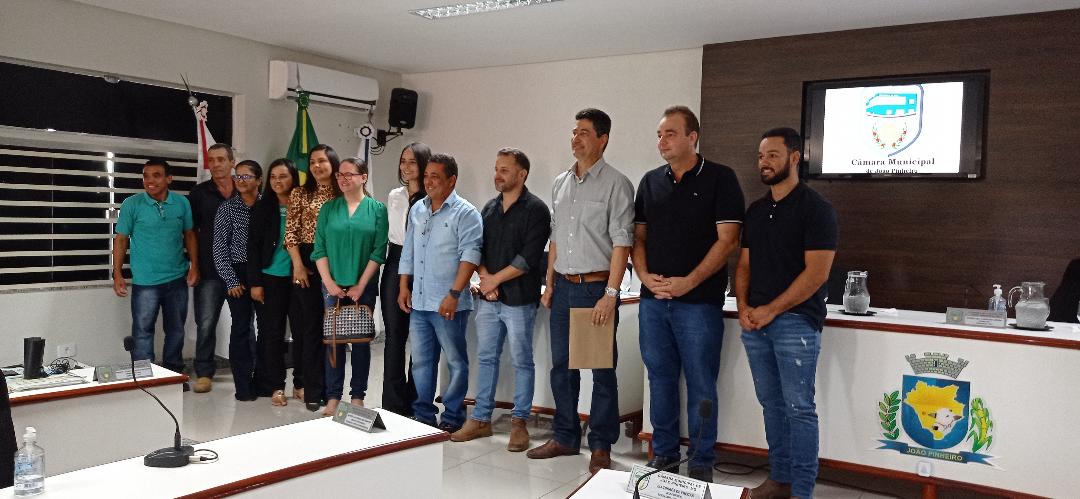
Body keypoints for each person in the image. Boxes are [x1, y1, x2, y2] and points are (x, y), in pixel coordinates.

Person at [632, 106, 744, 482]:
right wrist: (644, 276)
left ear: (692, 137)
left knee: (700, 382)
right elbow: (638, 238)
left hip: (698, 303)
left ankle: (699, 460)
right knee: (660, 379)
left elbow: (728, 241)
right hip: (654, 301)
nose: (662, 141)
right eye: (659, 135)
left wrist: (689, 282)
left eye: (670, 134)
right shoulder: (650, 181)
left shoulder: (720, 178)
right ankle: (664, 453)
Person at [527, 108, 634, 475]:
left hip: (595, 289)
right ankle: (565, 436)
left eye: (584, 132)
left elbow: (622, 243)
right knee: (562, 367)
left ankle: (601, 444)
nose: (576, 138)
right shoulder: (561, 183)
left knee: (601, 369)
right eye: (574, 132)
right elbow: (556, 238)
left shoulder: (617, 184)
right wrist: (549, 284)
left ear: (603, 139)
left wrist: (611, 293)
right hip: (563, 287)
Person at [736, 127, 838, 499]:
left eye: (773, 155)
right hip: (756, 323)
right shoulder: (756, 210)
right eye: (761, 156)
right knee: (771, 405)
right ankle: (779, 480)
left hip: (796, 323)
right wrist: (744, 308)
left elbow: (817, 274)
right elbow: (743, 266)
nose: (764, 162)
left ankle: (802, 491)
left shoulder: (817, 210)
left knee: (799, 408)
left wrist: (771, 310)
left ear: (795, 158)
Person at [451, 148, 550, 452]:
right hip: (488, 299)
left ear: (522, 174)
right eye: (496, 169)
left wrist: (494, 280)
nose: (498, 175)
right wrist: (484, 278)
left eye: (505, 170)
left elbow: (528, 258)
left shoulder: (537, 210)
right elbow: (476, 247)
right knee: (486, 357)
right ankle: (481, 419)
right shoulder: (489, 208)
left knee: (522, 360)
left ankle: (519, 422)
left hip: (519, 299)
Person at [397, 153, 483, 433]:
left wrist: (454, 294)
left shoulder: (466, 213)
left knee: (456, 361)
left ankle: (454, 416)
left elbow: (470, 256)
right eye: (426, 176)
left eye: (435, 176)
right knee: (421, 362)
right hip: (420, 301)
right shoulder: (417, 209)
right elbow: (408, 250)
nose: (429, 181)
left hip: (449, 303)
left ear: (451, 180)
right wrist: (403, 286)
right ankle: (424, 414)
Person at [312, 157, 388, 417]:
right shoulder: (329, 208)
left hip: (363, 286)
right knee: (333, 342)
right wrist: (329, 283)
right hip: (332, 286)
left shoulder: (377, 209)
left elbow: (378, 251)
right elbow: (319, 248)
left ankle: (357, 397)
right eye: (340, 175)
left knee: (361, 342)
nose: (343, 179)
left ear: (363, 177)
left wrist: (360, 285)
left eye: (349, 174)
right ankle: (333, 397)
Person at [112, 159, 198, 375]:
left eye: (156, 175)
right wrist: (117, 273)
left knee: (176, 331)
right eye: (146, 176)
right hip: (145, 282)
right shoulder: (132, 204)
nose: (150, 180)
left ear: (169, 178)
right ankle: (145, 378)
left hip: (176, 279)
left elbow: (189, 235)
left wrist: (195, 265)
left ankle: (173, 376)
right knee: (142, 332)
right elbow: (121, 239)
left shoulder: (181, 203)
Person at [285, 144, 340, 411]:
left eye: (322, 161)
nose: (317, 166)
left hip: (337, 261)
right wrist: (297, 264)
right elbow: (291, 232)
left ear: (333, 163)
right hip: (306, 262)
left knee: (333, 329)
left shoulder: (343, 193)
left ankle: (333, 391)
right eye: (313, 162)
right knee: (310, 327)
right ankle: (312, 390)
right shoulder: (300, 193)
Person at [247, 159, 301, 407]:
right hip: (270, 278)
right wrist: (255, 282)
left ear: (294, 178)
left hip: (299, 278)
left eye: (283, 176)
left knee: (301, 332)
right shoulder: (262, 207)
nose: (278, 181)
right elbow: (253, 248)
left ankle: (300, 384)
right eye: (273, 177)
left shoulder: (302, 205)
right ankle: (276, 386)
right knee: (272, 334)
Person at [381, 142, 430, 416]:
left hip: (424, 263)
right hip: (396, 260)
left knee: (420, 338)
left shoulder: (432, 197)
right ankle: (393, 403)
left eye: (412, 162)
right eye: (403, 161)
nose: (406, 167)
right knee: (394, 336)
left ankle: (416, 401)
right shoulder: (395, 195)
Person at [188, 143, 237, 393]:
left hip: (240, 271)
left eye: (221, 159)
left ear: (232, 162)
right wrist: (194, 265)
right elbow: (190, 233)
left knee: (244, 324)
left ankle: (245, 370)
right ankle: (204, 373)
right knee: (206, 323)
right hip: (209, 270)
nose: (215, 164)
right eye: (212, 160)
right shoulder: (199, 193)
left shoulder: (246, 189)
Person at [212, 159, 262, 401]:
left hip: (266, 273)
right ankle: (243, 386)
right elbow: (219, 247)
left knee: (268, 329)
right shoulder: (227, 208)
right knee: (242, 327)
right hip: (238, 273)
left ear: (259, 180)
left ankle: (264, 381)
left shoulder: (268, 206)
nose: (240, 181)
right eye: (237, 176)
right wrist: (231, 281)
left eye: (246, 176)